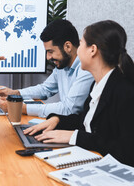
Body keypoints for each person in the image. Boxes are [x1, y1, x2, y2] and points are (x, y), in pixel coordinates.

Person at [24, 20, 134, 167]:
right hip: (90, 161)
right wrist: (57, 120)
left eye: (81, 43)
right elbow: (84, 122)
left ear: (92, 50)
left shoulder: (124, 92)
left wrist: (74, 136)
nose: (78, 49)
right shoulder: (98, 86)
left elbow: (126, 151)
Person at [0, 19, 94, 117]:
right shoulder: (62, 66)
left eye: (50, 51)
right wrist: (15, 93)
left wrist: (18, 108)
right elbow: (45, 89)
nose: (48, 57)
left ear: (67, 46)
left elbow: (69, 109)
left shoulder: (86, 70)